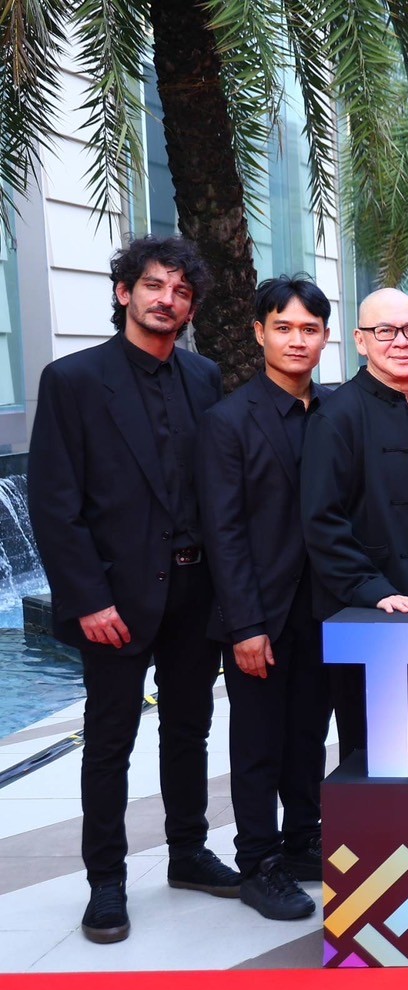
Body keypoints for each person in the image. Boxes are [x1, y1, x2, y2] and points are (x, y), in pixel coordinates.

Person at [28, 236, 238, 945]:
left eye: (181, 292)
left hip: (193, 589)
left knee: (189, 728)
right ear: (124, 292)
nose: (166, 300)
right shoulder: (73, 379)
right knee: (109, 740)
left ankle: (188, 852)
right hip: (114, 599)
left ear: (191, 307)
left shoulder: (204, 377)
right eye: (153, 286)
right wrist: (88, 599)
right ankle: (106, 881)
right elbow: (54, 503)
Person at [196, 275, 331, 921]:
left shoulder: (335, 411)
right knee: (258, 744)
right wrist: (245, 625)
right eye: (283, 327)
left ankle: (303, 840)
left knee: (309, 734)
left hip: (323, 609)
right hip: (260, 614)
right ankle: (259, 861)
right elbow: (222, 534)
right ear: (259, 333)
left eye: (309, 329)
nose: (296, 340)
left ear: (326, 337)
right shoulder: (227, 422)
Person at [301, 289, 408, 762]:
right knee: (374, 761)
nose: (401, 341)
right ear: (360, 341)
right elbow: (322, 521)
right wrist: (375, 591)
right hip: (369, 615)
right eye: (384, 331)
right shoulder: (336, 415)